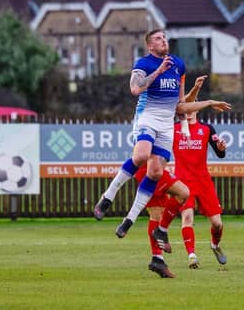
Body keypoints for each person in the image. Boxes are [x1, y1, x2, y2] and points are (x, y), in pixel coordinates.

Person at [92, 28, 231, 238]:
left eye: (164, 37)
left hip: (166, 124)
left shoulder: (179, 65)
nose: (163, 40)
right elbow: (135, 90)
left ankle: (129, 219)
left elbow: (181, 106)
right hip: (147, 116)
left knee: (155, 173)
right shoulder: (144, 63)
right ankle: (108, 196)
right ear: (150, 45)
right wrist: (157, 71)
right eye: (158, 38)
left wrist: (210, 102)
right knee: (140, 156)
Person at [155, 75, 229, 269]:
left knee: (217, 224)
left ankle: (215, 245)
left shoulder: (206, 129)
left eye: (191, 106)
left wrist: (221, 147)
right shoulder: (174, 129)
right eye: (185, 106)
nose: (187, 110)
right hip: (183, 182)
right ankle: (192, 256)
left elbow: (220, 154)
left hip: (203, 181)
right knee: (187, 218)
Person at [132, 163, 190, 279]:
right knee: (183, 193)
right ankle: (161, 231)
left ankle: (158, 260)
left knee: (156, 214)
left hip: (151, 169)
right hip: (151, 170)